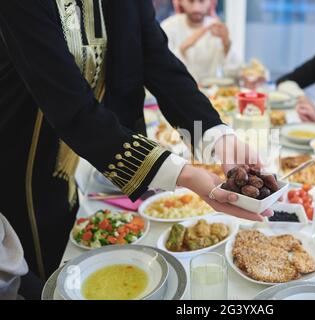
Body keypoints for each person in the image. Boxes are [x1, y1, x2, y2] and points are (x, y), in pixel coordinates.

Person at [0, 0, 266, 282]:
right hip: (17, 159)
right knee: (38, 270)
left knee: (64, 251)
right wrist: (183, 174)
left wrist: (217, 136)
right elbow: (70, 105)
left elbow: (159, 62)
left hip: (73, 155)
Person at [161, 0, 241, 82]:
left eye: (202, 1)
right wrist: (184, 47)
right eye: (190, 1)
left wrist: (226, 43)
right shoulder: (168, 27)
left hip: (211, 92)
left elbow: (234, 72)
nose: (196, 8)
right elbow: (163, 69)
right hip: (178, 89)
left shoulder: (217, 27)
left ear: (210, 2)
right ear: (180, 2)